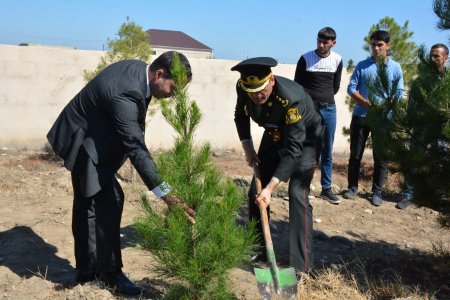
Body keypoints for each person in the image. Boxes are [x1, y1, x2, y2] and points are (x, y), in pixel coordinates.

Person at [47, 51, 196, 296]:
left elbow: (131, 133)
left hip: (95, 136)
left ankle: (92, 271)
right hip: (83, 139)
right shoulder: (126, 91)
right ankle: (102, 273)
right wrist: (168, 196)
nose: (174, 96)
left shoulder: (140, 72)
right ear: (159, 74)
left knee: (94, 203)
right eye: (174, 88)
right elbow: (135, 146)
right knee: (101, 201)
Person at [231, 57, 323, 273]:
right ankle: (260, 250)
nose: (256, 96)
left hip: (306, 139)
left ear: (271, 81)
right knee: (256, 190)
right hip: (274, 133)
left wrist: (271, 188)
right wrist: (248, 148)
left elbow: (293, 149)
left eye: (260, 90)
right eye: (251, 92)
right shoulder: (243, 88)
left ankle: (302, 266)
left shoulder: (291, 100)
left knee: (297, 192)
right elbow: (240, 116)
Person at [343, 30, 404, 206]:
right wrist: (366, 103)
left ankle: (377, 192)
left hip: (384, 119)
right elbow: (351, 88)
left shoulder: (395, 67)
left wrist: (387, 104)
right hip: (361, 116)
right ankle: (352, 188)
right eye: (373, 45)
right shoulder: (362, 65)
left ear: (388, 46)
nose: (376, 48)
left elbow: (399, 91)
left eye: (380, 45)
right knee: (355, 155)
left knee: (381, 157)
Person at [396, 43, 449, 209]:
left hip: (442, 129)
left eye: (437, 56)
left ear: (445, 58)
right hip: (422, 127)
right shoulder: (420, 81)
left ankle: (436, 197)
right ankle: (408, 195)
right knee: (415, 160)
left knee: (441, 162)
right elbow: (412, 105)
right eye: (431, 56)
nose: (432, 59)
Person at [294, 27, 343, 205]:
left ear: (333, 43)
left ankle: (326, 189)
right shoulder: (305, 58)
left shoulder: (337, 60)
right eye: (319, 41)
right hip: (309, 111)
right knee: (306, 149)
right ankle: (300, 188)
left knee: (327, 150)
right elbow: (297, 86)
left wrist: (325, 99)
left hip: (329, 109)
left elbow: (335, 86)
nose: (321, 45)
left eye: (325, 42)